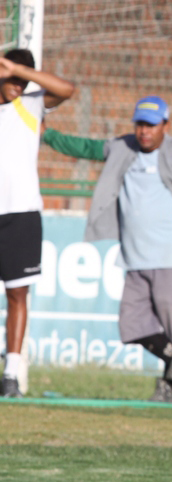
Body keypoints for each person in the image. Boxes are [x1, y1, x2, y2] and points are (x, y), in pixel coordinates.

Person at [42, 95, 172, 405]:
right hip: (134, 255)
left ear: (165, 125)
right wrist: (48, 136)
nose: (144, 132)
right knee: (132, 325)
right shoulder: (123, 148)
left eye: (151, 125)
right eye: (140, 125)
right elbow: (87, 148)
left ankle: (166, 391)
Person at [0, 49, 75, 398]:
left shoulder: (30, 104)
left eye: (24, 79)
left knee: (17, 294)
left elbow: (67, 89)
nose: (18, 84)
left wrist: (20, 70)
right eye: (12, 77)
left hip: (22, 215)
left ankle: (11, 374)